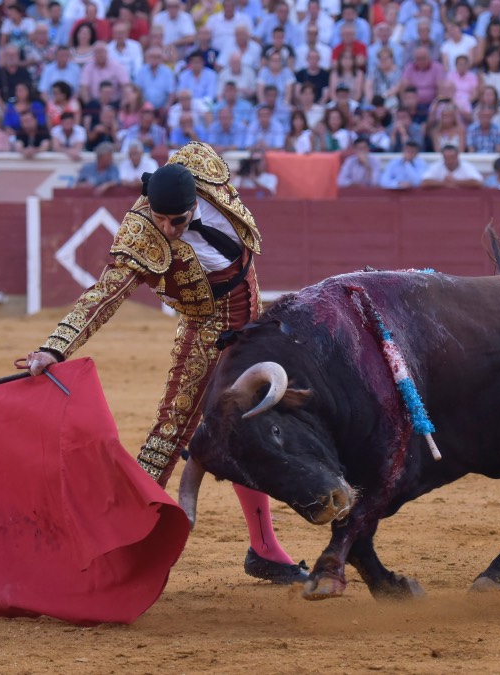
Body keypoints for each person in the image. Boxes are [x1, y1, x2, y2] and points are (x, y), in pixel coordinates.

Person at [18, 142, 306, 585]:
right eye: (160, 219)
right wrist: (54, 348)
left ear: (196, 203)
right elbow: (106, 294)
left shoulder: (203, 167)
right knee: (169, 435)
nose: (167, 230)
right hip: (207, 330)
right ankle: (111, 549)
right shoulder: (142, 233)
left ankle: (265, 550)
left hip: (250, 318)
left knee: (249, 420)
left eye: (178, 221)